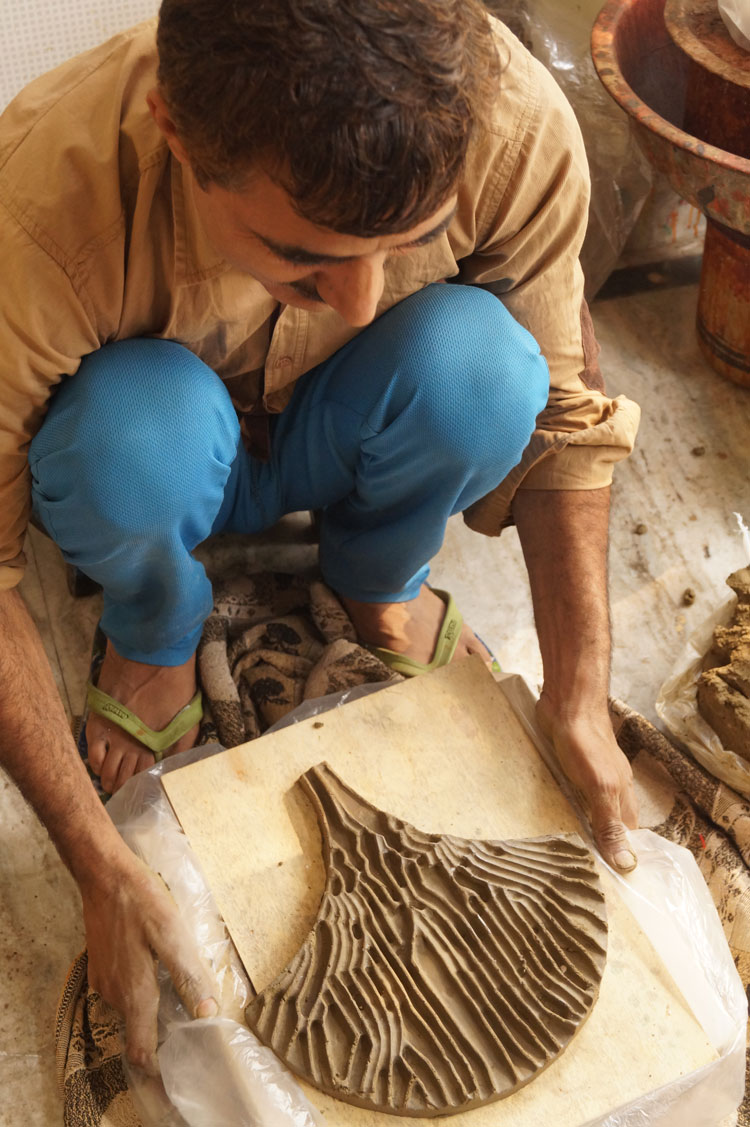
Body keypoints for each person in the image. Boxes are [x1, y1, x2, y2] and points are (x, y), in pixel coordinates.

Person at [0, 0, 641, 1075]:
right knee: (131, 442)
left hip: (350, 426)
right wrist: (96, 861)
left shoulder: (510, 119)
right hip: (156, 447)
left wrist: (579, 687)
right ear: (174, 130)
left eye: (399, 249)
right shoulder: (36, 208)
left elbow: (569, 424)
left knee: (490, 369)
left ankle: (378, 574)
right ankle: (154, 626)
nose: (358, 301)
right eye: (304, 260)